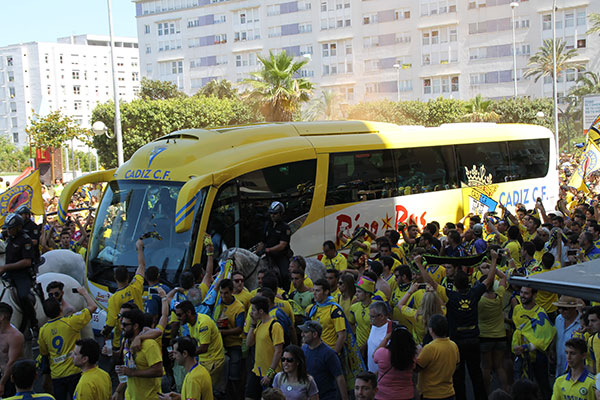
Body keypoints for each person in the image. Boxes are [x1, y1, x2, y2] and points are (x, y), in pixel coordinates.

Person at [417, 253, 496, 400]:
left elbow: (431, 282)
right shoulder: (474, 292)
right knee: (476, 374)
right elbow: (489, 280)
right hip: (473, 340)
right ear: (469, 283)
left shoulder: (450, 296)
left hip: (457, 342)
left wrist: (419, 265)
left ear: (455, 285)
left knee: (458, 377)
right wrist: (494, 260)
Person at [38, 287, 97, 400]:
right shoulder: (71, 321)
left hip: (57, 376)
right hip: (75, 371)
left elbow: (44, 353)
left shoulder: (43, 331)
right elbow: (93, 307)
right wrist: (84, 293)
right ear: (60, 309)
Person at [101, 238, 146, 353]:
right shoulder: (136, 287)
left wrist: (104, 333)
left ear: (115, 278)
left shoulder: (114, 299)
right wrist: (139, 248)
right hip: (140, 334)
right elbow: (141, 266)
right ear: (128, 277)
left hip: (121, 341)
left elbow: (111, 323)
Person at [512, 286, 555, 400]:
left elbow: (545, 336)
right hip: (520, 355)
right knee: (521, 388)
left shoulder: (540, 313)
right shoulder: (517, 309)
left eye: (526, 293)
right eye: (521, 292)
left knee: (543, 385)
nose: (522, 295)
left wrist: (527, 347)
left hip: (537, 356)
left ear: (534, 295)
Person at [114, 308, 163, 400]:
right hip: (130, 396)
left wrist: (133, 372)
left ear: (135, 326)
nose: (121, 327)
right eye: (121, 324)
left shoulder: (149, 345)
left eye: (125, 324)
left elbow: (158, 371)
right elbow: (130, 366)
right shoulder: (127, 342)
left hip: (149, 397)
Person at [0, 213, 37, 333]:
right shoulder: (10, 235)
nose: (8, 230)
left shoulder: (25, 240)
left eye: (10, 228)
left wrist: (5, 267)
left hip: (22, 275)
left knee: (23, 296)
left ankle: (33, 323)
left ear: (18, 227)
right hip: (9, 273)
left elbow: (27, 261)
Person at [174, 300, 225, 384]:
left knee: (205, 391)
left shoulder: (203, 324)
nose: (177, 318)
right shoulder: (190, 323)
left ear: (189, 312)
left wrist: (184, 355)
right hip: (204, 360)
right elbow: (193, 341)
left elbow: (204, 348)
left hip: (213, 361)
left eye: (179, 315)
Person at [247, 295, 285, 400]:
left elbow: (278, 351)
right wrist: (253, 324)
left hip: (270, 374)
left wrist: (270, 373)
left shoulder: (275, 326)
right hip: (256, 371)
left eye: (253, 310)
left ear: (261, 311)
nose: (251, 313)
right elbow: (249, 343)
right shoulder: (259, 324)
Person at [478, 268, 509, 393]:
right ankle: (505, 391)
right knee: (499, 366)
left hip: (485, 336)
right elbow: (503, 278)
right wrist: (493, 267)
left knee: (486, 368)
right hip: (500, 336)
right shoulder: (499, 296)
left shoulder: (479, 301)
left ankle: (485, 394)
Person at [300, 321, 348, 400]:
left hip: (326, 396)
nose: (302, 334)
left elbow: (339, 377)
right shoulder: (303, 350)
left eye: (305, 332)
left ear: (315, 334)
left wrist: (345, 398)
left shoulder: (329, 354)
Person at [416, 314, 460, 400]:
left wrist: (418, 353)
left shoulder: (429, 348)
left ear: (431, 330)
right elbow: (457, 365)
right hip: (449, 392)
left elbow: (417, 368)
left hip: (431, 394)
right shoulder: (453, 345)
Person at [216, 278, 245, 399]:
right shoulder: (218, 304)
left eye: (226, 293)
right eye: (221, 293)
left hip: (234, 344)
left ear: (232, 292)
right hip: (219, 344)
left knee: (234, 372)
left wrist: (224, 332)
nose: (223, 296)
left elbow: (239, 329)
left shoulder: (239, 308)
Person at [373, 325, 416, 400]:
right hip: (406, 395)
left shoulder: (382, 353)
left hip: (383, 395)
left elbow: (374, 356)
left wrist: (386, 338)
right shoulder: (411, 356)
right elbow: (414, 367)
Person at [305, 280, 346, 356]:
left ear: (326, 292)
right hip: (314, 351)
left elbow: (342, 335)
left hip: (329, 353)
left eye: (317, 291)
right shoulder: (311, 309)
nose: (314, 293)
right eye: (313, 290)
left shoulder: (334, 310)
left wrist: (334, 355)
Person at [259, 201, 293, 290]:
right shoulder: (267, 225)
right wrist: (257, 252)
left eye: (275, 213)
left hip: (281, 256)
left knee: (285, 274)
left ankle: (287, 291)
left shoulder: (285, 227)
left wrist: (269, 249)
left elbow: (282, 245)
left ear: (281, 213)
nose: (272, 215)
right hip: (268, 255)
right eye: (271, 213)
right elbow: (262, 242)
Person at [554, 296, 582, 377]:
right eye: (559, 308)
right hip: (559, 365)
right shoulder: (558, 319)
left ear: (573, 308)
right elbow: (557, 336)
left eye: (564, 308)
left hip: (574, 369)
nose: (561, 311)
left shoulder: (581, 324)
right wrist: (552, 349)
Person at [0, 303, 24, 398]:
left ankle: (33, 323)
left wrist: (2, 383)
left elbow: (11, 362)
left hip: (10, 379)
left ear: (2, 317)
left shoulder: (15, 336)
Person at [348, 276, 376, 354]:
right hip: (358, 348)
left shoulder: (376, 308)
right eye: (356, 291)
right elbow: (351, 323)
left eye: (359, 292)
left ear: (367, 293)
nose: (356, 294)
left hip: (374, 348)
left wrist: (365, 345)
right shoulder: (354, 307)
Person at [366, 302, 391, 373]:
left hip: (382, 376)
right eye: (369, 316)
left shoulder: (390, 329)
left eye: (372, 317)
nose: (370, 319)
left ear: (382, 316)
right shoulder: (375, 324)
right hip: (371, 372)